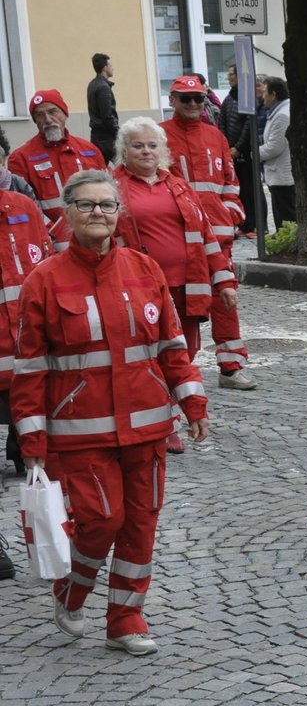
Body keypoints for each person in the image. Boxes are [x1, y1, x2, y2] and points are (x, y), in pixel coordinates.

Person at [13, 169, 209, 656]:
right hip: (81, 434)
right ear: (67, 213)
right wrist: (32, 444)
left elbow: (171, 345)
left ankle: (125, 617)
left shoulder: (144, 269)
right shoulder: (44, 281)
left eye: (107, 205)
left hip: (147, 427)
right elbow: (30, 370)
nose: (98, 213)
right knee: (102, 520)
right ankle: (73, 590)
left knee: (141, 523)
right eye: (87, 205)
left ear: (119, 213)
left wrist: (192, 399)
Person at [104, 118, 237, 453]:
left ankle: (175, 413)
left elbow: (206, 237)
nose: (146, 151)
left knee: (184, 354)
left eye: (152, 145)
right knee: (147, 357)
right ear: (124, 150)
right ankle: (163, 424)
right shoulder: (112, 187)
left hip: (187, 286)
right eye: (138, 145)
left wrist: (222, 279)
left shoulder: (177, 184)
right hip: (136, 288)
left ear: (162, 150)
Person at [162, 75, 255, 391]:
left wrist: (230, 216)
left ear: (205, 100)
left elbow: (231, 184)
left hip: (218, 238)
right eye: (184, 99)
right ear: (172, 100)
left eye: (197, 99)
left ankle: (230, 367)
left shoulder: (216, 137)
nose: (191, 104)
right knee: (179, 303)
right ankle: (178, 369)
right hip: (179, 240)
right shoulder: (159, 137)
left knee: (224, 300)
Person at [0, 168, 52, 578]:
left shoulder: (23, 208)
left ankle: (56, 537)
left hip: (28, 360)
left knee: (41, 449)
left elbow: (48, 271)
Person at [6, 89, 104, 226]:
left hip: (94, 229)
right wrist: (50, 232)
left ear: (65, 114)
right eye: (39, 114)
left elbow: (108, 195)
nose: (47, 119)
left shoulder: (90, 150)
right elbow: (21, 206)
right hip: (52, 239)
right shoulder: (21, 158)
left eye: (53, 112)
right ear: (35, 121)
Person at [219, 64, 258, 237]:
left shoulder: (248, 98)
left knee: (250, 190)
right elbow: (223, 122)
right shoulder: (228, 98)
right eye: (228, 75)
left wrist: (238, 148)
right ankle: (244, 223)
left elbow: (249, 125)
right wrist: (225, 145)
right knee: (238, 191)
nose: (229, 78)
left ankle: (255, 225)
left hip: (244, 153)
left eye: (231, 75)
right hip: (230, 152)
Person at [258, 75, 294, 227]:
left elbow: (274, 147)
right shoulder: (278, 111)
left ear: (274, 95)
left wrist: (254, 153)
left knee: (285, 218)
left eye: (265, 91)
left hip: (282, 176)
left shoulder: (281, 115)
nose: (262, 95)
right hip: (278, 174)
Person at [87, 53, 118, 164]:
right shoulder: (103, 87)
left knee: (99, 171)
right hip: (107, 140)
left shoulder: (92, 84)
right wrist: (119, 133)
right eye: (110, 65)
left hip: (96, 137)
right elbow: (107, 116)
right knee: (125, 169)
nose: (112, 67)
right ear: (105, 68)